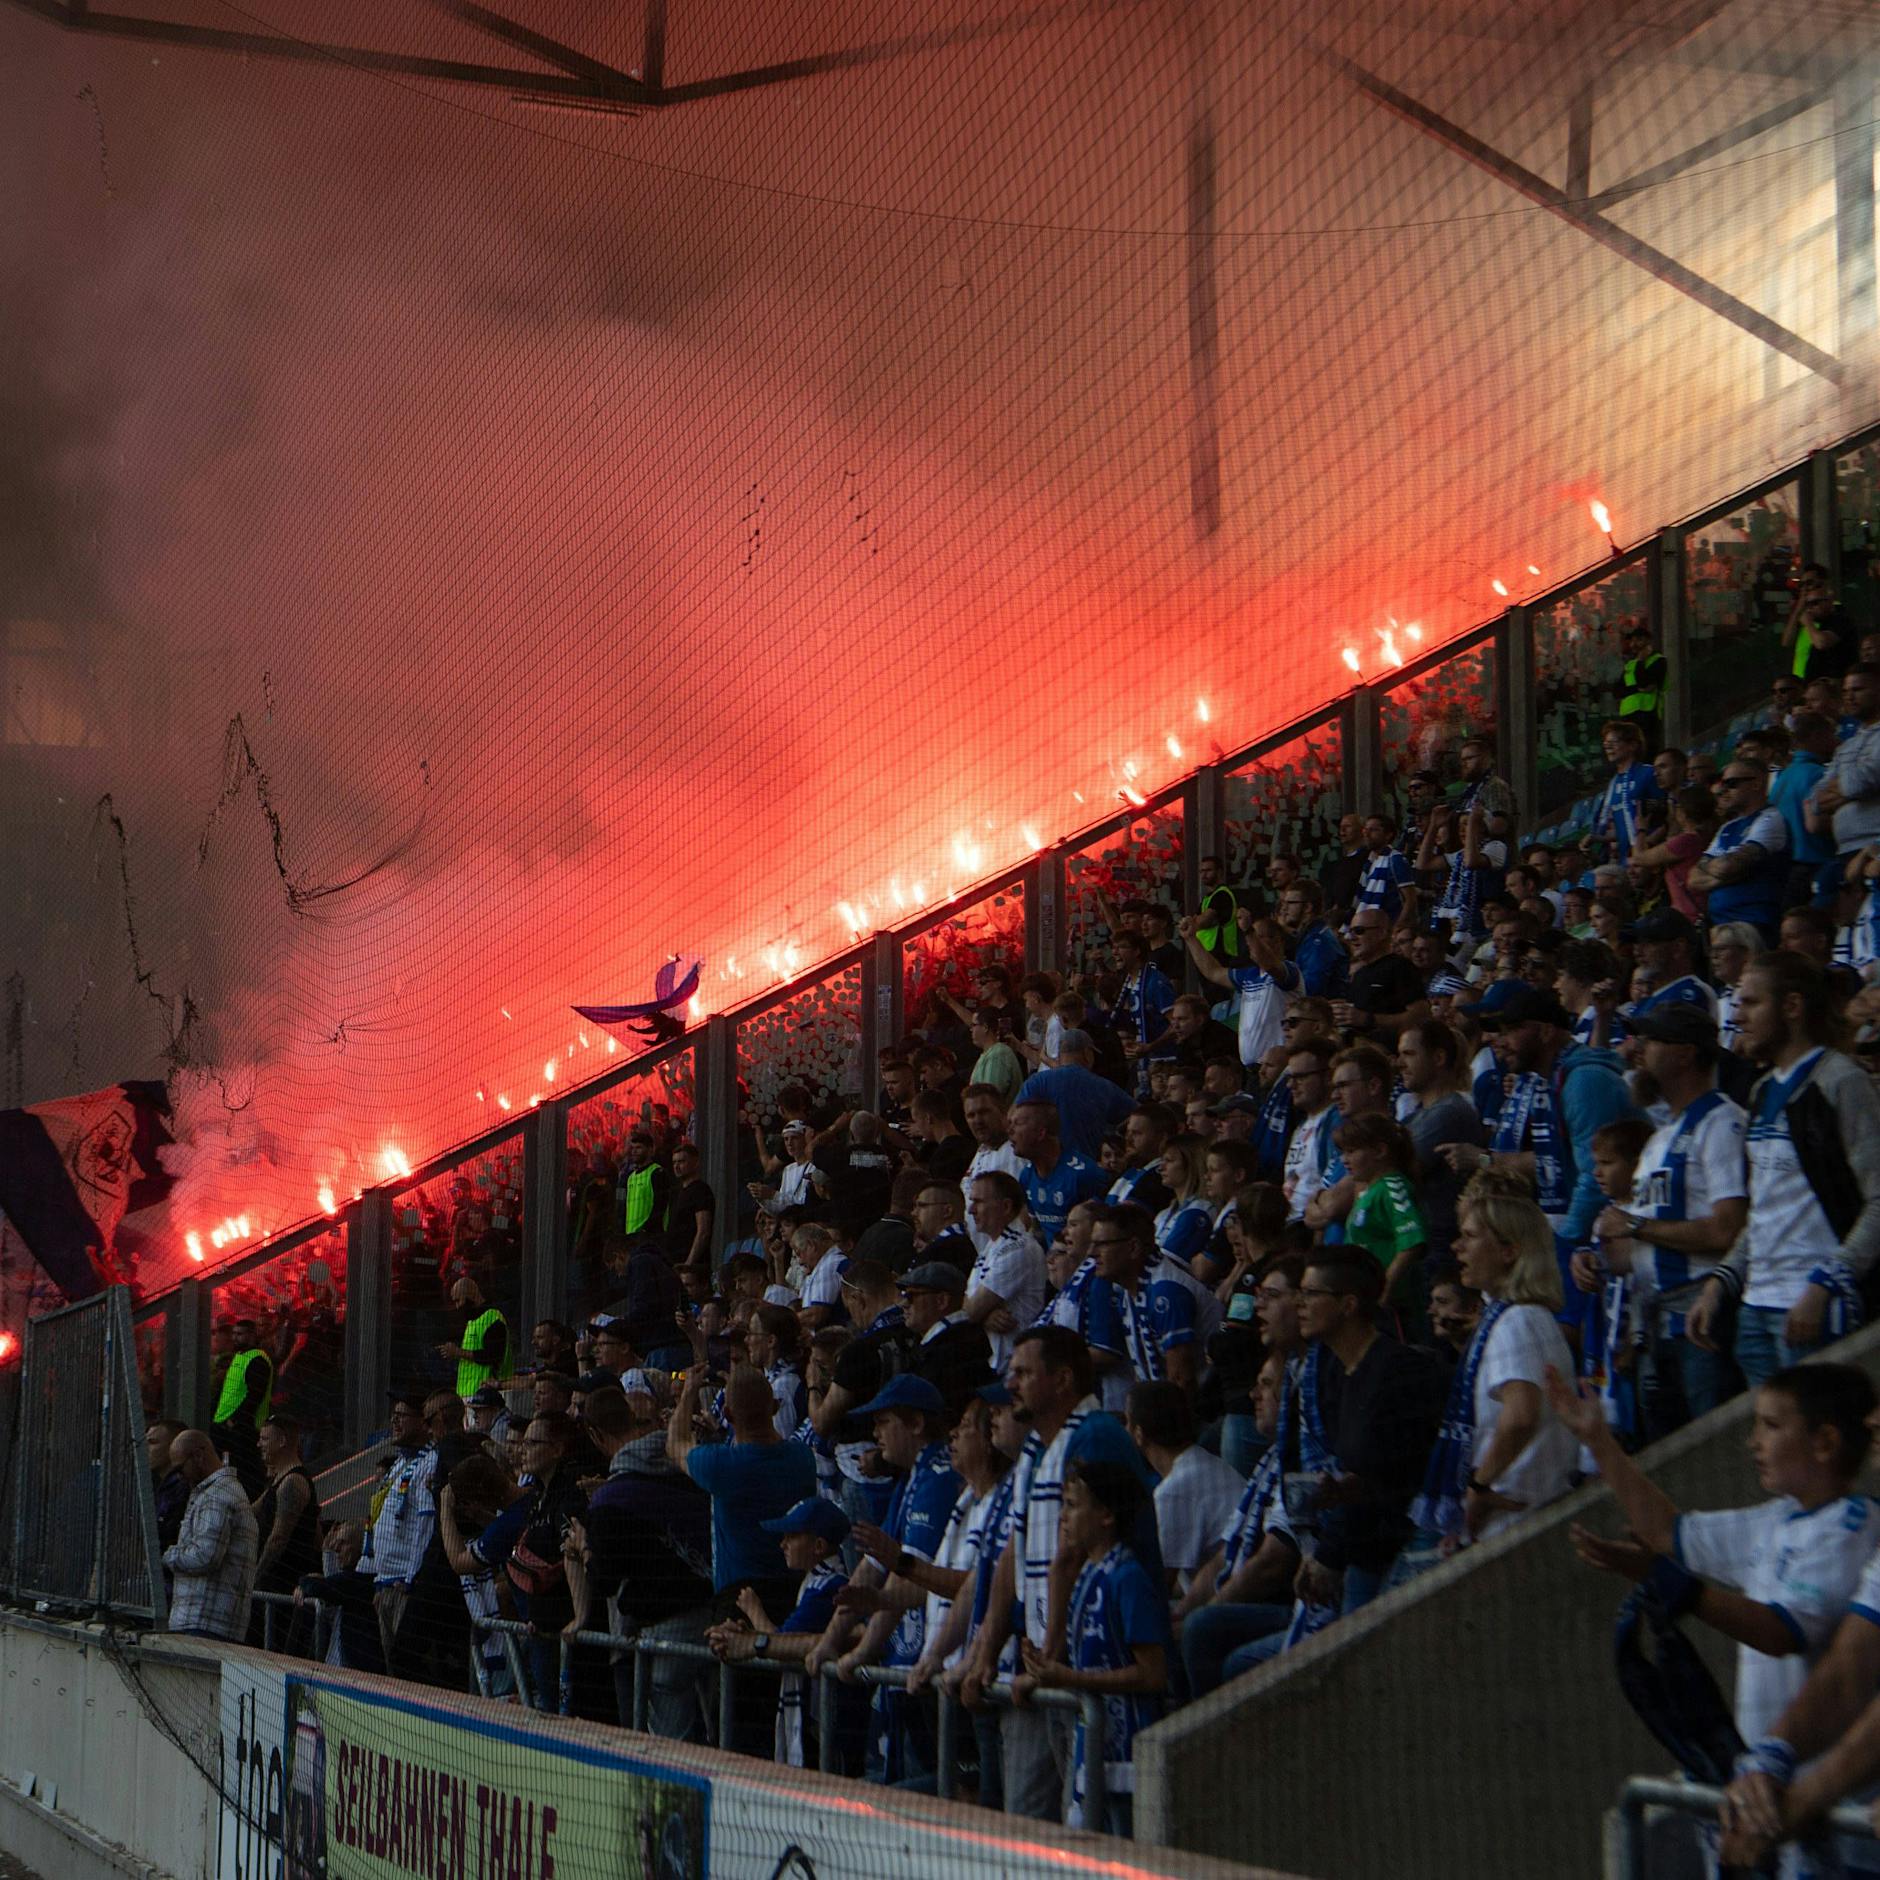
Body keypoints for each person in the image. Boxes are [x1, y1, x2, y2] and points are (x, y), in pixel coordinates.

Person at [1555, 1361, 1880, 1839]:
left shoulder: (1853, 1526)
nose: (1754, 1442)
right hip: (1771, 1787)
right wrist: (1600, 1443)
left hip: (1834, 1802)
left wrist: (1676, 1586)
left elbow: (1780, 1632)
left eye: (1770, 1426)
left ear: (1824, 1443)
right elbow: (1665, 1532)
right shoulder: (1777, 1520)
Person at [1689, 952, 1880, 1386]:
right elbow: (1764, 1209)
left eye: (1752, 1003)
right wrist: (1724, 1279)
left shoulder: (1840, 1082)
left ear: (1792, 1007)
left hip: (1814, 1310)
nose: (1738, 1017)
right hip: (1756, 1307)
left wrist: (1828, 1283)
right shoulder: (1760, 1092)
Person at [957, 1326, 1101, 1820]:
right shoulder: (1034, 1454)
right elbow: (1009, 1562)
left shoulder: (1094, 1435)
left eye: (1022, 1373)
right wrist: (984, 1655)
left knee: (1085, 1831)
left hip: (1082, 1670)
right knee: (1027, 1830)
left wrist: (1055, 1650)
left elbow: (1075, 1554)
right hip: (1040, 1670)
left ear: (1062, 1380)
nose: (1010, 1383)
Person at [1593, 1003, 1748, 1436]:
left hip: (1700, 1321)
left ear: (1685, 1054)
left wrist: (1635, 1227)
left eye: (1653, 1040)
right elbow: (1638, 1244)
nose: (1639, 1049)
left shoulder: (1722, 1123)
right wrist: (1598, 1260)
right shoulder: (1660, 1138)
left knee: (1713, 1450)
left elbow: (1727, 1230)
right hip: (1653, 1325)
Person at [1407, 1178, 1577, 1556]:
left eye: (1469, 1237)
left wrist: (1480, 1489)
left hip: (1515, 1524)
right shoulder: (1522, 1317)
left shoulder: (1517, 1321)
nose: (1456, 1247)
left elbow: (1520, 1417)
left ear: (1508, 1251)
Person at [808, 1375, 962, 1785]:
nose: (875, 1433)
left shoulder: (939, 1475)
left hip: (928, 1671)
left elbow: (909, 1580)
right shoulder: (912, 1477)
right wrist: (830, 1641)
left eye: (883, 1422)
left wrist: (860, 1652)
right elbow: (871, 1569)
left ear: (915, 1424)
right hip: (905, 1670)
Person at [1014, 1455, 1170, 1836]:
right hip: (1094, 1751)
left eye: (1072, 1505)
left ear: (1106, 1516)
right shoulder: (1087, 1574)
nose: (1062, 1517)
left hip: (1130, 1761)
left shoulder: (1128, 1578)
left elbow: (1153, 1674)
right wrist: (1040, 1673)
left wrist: (1069, 1676)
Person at [566, 1383, 715, 1739]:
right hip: (717, 1620)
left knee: (670, 1748)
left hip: (664, 1634)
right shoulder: (692, 1471)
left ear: (595, 1434)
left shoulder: (610, 1499)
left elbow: (603, 1580)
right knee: (722, 1743)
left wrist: (585, 1546)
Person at [705, 1497, 852, 1769]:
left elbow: (781, 1645)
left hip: (827, 1723)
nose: (782, 1544)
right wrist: (744, 1634)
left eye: (792, 1536)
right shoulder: (816, 1580)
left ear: (818, 1546)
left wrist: (753, 1610)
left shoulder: (829, 1587)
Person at [1088, 1200, 1222, 1401]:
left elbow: (1182, 1381)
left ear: (1133, 1248)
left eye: (1102, 1244)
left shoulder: (1165, 1292)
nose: (1091, 1253)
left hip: (1204, 1411)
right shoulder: (1132, 1286)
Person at [1126, 1380, 1244, 1596]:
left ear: (1139, 1434)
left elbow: (1158, 1585)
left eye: (1128, 1422)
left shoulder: (1173, 1490)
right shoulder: (1201, 1463)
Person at [1396, 1018, 1485, 1261]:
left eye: (1409, 1054)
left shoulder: (1450, 1112)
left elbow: (1391, 1171)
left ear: (1438, 1058)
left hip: (1438, 1248)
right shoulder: (1418, 1114)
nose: (1400, 1064)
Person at [162, 1428, 260, 1641]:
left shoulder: (217, 1495)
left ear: (198, 1455)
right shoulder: (213, 1492)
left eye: (181, 1467)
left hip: (206, 1622)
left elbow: (205, 1556)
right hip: (204, 1621)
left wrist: (167, 1555)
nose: (180, 1475)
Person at [363, 1392, 437, 1667]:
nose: (394, 1420)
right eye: (393, 1414)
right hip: (386, 1583)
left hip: (403, 1586)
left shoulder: (429, 1462)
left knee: (408, 1668)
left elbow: (425, 1527)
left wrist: (410, 1579)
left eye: (402, 1415)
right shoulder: (398, 1464)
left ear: (423, 1422)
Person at [1690, 757, 1792, 942]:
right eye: (1722, 783)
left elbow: (1727, 867)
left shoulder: (1770, 819)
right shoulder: (1727, 828)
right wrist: (1731, 874)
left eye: (1732, 783)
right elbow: (1693, 879)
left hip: (1753, 924)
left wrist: (1719, 870)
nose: (1723, 790)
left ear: (1757, 784)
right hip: (1721, 926)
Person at [247, 1413, 322, 1652]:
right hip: (274, 1584)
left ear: (282, 1441)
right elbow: (250, 1513)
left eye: (264, 1439)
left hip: (283, 1586)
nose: (259, 1444)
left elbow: (278, 1538)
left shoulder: (293, 1482)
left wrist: (254, 1577)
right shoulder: (278, 1480)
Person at [965, 1171, 1049, 1373]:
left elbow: (970, 1311)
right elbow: (967, 1303)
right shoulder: (992, 1245)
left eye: (979, 1202)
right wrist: (985, 1318)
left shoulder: (1017, 1248)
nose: (970, 1210)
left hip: (1014, 1370)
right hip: (997, 1365)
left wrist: (978, 1315)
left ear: (1005, 1207)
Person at [1014, 1034, 1136, 1164]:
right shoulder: (1103, 1086)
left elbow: (1015, 1119)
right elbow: (1139, 1114)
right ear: (1087, 1053)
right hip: (1090, 1169)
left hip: (1048, 1170)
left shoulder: (1036, 1082)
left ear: (1060, 1055)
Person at [1008, 1098, 1109, 1249]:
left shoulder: (1084, 1175)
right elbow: (1036, 1229)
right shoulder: (1027, 1175)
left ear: (1041, 1133)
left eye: (1018, 1124)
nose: (1010, 1131)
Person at [901, 1260, 995, 1418]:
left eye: (911, 1296)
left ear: (942, 1301)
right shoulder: (961, 1337)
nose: (903, 1304)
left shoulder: (954, 1349)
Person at [960, 1085, 1025, 1250]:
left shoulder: (1018, 1154)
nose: (977, 1121)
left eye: (984, 1112)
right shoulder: (981, 1152)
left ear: (1003, 1111)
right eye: (971, 1115)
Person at [1593, 719, 1666, 863]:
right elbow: (1624, 829)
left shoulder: (1648, 773)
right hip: (1626, 861)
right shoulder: (1613, 784)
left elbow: (1665, 814)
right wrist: (1595, 838)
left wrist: (1650, 843)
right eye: (1606, 743)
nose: (1608, 746)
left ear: (1632, 745)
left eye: (1614, 741)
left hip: (1648, 858)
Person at [437, 1277, 508, 1400]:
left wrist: (458, 1352)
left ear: (470, 1295)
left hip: (486, 1396)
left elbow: (493, 1355)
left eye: (458, 1300)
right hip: (468, 1395)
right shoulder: (473, 1322)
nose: (457, 1306)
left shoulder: (493, 1318)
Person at [664, 1138, 716, 1266]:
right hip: (674, 1262)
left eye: (681, 1161)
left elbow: (703, 1231)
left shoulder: (701, 1190)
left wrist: (689, 1263)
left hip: (693, 1267)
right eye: (674, 1162)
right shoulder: (676, 1193)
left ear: (695, 1162)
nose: (677, 1166)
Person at [1618, 621, 1668, 751]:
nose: (1634, 644)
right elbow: (1618, 691)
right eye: (1632, 641)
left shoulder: (1658, 660)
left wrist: (1641, 661)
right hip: (1628, 716)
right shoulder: (1630, 664)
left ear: (1648, 641)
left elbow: (1645, 684)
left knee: (1646, 750)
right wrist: (1637, 689)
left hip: (1648, 715)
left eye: (1639, 640)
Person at [966, 1006, 1024, 1102]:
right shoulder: (990, 1054)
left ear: (985, 1027)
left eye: (974, 1025)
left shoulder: (998, 1054)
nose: (971, 1030)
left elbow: (991, 1097)